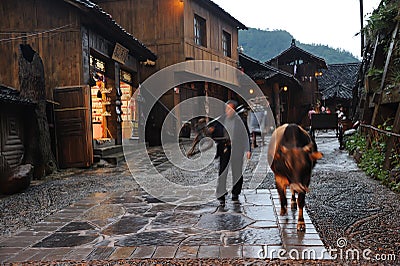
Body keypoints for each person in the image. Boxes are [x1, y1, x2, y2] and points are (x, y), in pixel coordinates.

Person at [209, 100, 251, 205]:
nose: (229, 111)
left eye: (231, 109)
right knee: (223, 171)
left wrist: (248, 149)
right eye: (227, 108)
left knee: (237, 172)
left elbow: (246, 135)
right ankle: (221, 194)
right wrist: (211, 131)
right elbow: (214, 134)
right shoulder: (221, 120)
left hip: (237, 149)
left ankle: (235, 193)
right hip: (224, 149)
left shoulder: (240, 121)